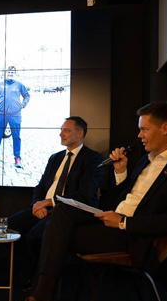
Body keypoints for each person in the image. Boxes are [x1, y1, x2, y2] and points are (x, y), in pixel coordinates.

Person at [0, 101, 167, 301]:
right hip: (114, 224)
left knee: (54, 230)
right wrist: (121, 171)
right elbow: (123, 198)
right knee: (62, 212)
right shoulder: (146, 160)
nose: (139, 135)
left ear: (165, 128)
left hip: (135, 237)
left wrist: (124, 223)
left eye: (144, 129)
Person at [8, 116, 103, 291]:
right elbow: (41, 186)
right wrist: (37, 204)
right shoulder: (55, 157)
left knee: (34, 236)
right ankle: (16, 275)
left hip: (67, 213)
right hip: (43, 208)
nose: (61, 134)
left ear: (80, 133)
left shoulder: (93, 159)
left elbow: (84, 195)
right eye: (61, 130)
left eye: (66, 130)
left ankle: (34, 283)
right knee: (8, 226)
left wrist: (49, 202)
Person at [0, 65, 30, 168]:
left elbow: (27, 96)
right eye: (8, 72)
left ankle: (17, 158)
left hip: (15, 115)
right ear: (5, 73)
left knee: (16, 137)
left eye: (12, 73)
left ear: (14, 74)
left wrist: (23, 104)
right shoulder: (0, 85)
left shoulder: (19, 85)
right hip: (1, 115)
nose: (10, 74)